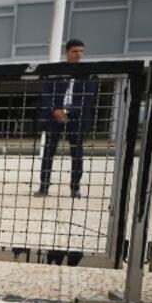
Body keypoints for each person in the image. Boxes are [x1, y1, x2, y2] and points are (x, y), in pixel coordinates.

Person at [37, 39, 96, 199]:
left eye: (81, 51)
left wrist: (68, 112)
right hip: (53, 117)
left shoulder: (88, 73)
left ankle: (75, 188)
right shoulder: (56, 71)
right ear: (67, 52)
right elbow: (47, 93)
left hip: (76, 118)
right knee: (49, 151)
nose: (79, 55)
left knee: (77, 152)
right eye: (75, 51)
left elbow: (88, 98)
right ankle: (44, 186)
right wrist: (56, 110)